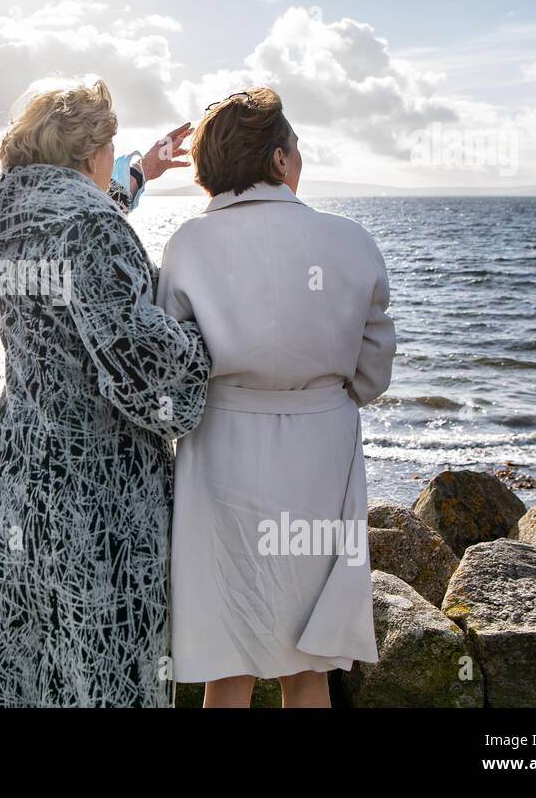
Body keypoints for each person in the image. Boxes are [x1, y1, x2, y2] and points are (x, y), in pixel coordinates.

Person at [0, 79, 211, 707]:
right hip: (99, 501)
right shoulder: (93, 227)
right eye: (111, 145)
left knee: (35, 664)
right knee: (107, 671)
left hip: (21, 472)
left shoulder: (7, 211)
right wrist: (204, 338)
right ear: (91, 149)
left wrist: (138, 174)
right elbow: (138, 370)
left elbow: (74, 238)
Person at [157, 87, 396, 707]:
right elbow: (372, 373)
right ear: (281, 159)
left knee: (226, 658)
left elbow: (170, 370)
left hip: (221, 448)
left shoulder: (188, 246)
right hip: (321, 449)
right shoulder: (351, 242)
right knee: (308, 662)